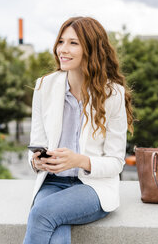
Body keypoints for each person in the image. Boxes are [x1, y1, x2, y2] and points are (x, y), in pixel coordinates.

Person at [23, 16, 133, 244]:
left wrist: (79, 160)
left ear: (91, 49)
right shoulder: (44, 86)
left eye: (73, 43)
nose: (62, 49)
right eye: (61, 41)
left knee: (42, 213)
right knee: (54, 225)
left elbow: (116, 162)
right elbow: (35, 143)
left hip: (92, 187)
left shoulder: (113, 94)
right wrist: (37, 161)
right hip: (52, 182)